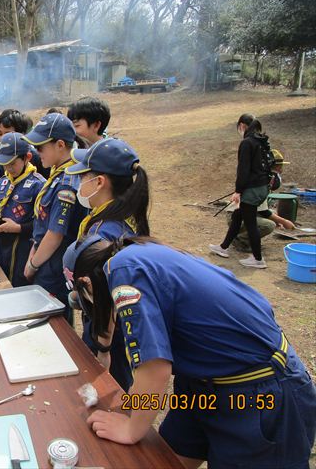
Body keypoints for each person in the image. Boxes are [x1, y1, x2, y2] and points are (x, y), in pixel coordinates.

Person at [63, 235, 316, 469]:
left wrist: (131, 428)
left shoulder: (123, 270)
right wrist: (134, 398)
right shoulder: (138, 254)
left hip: (258, 395)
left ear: (85, 282)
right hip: (203, 385)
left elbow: (155, 366)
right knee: (165, 460)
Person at [65, 138, 149, 392]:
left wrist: (102, 347)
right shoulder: (114, 219)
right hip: (109, 323)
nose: (79, 183)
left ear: (99, 182)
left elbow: (110, 298)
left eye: (83, 176)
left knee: (110, 389)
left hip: (109, 330)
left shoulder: (107, 233)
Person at [22, 113, 88, 322]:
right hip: (45, 259)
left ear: (60, 145)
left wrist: (32, 265)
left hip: (54, 265)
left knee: (55, 325)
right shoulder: (57, 175)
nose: (35, 151)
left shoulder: (66, 183)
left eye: (40, 147)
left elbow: (55, 234)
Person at [0, 132, 45, 286]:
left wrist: (18, 228)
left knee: (19, 288)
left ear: (27, 158)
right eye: (5, 164)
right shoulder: (3, 181)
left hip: (23, 249)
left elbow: (44, 225)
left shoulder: (39, 185)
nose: (8, 168)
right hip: (2, 247)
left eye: (13, 163)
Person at [210, 114, 271, 268]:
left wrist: (238, 191)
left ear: (242, 125)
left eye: (239, 127)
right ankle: (223, 248)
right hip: (262, 187)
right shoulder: (261, 141)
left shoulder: (247, 143)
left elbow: (243, 170)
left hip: (252, 188)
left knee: (250, 223)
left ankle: (258, 259)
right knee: (238, 215)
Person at [224, 148, 295, 251]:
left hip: (244, 213)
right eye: (278, 166)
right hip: (235, 217)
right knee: (269, 225)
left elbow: (262, 209)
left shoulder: (262, 178)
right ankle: (240, 240)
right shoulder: (261, 182)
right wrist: (284, 221)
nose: (280, 170)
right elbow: (264, 212)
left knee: (273, 214)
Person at [0, 109, 48, 180]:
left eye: (8, 134)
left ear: (21, 135)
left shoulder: (37, 157)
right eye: (0, 133)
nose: (3, 138)